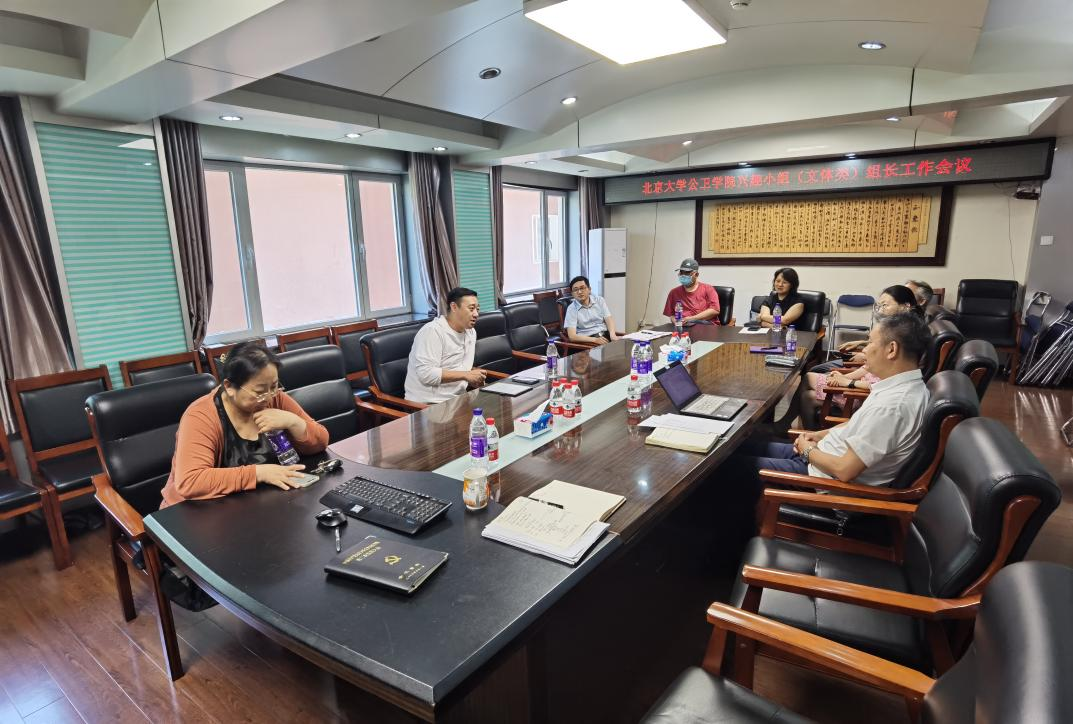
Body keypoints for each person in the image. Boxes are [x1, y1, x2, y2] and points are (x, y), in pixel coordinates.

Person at [731, 311, 930, 489]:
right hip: (822, 456)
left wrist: (807, 451)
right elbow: (856, 425)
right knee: (738, 446)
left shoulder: (893, 406)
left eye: (870, 343)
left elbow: (844, 470)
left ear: (892, 349)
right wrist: (819, 435)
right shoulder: (901, 387)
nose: (865, 350)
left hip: (821, 478)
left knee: (729, 466)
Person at [161, 342, 330, 508]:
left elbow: (321, 441)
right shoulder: (201, 416)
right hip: (195, 511)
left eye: (274, 386)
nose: (268, 397)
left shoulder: (275, 398)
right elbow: (190, 481)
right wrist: (258, 473)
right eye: (259, 392)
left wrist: (294, 422)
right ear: (229, 387)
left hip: (255, 504)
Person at [799, 285, 923, 427]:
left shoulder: (906, 338)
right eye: (879, 306)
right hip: (862, 385)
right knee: (809, 388)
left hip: (861, 393)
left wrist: (848, 382)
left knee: (808, 385)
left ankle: (797, 429)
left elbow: (887, 383)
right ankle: (796, 428)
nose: (880, 310)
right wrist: (847, 377)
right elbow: (869, 367)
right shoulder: (896, 330)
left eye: (885, 305)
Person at [405, 286, 485, 404]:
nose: (476, 314)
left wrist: (473, 378)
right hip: (429, 403)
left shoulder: (471, 332)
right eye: (471, 309)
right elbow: (426, 374)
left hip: (458, 398)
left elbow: (461, 368)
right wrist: (466, 375)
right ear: (454, 307)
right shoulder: (433, 331)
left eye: (477, 309)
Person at [663, 258, 721, 324]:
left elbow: (715, 310)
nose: (683, 275)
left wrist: (691, 319)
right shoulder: (674, 292)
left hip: (705, 325)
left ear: (696, 275)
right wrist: (675, 321)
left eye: (687, 273)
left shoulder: (708, 289)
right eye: (681, 272)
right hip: (683, 325)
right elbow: (672, 314)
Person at [564, 275, 619, 345]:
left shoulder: (599, 300)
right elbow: (572, 336)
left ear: (589, 289)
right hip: (588, 342)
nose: (579, 292)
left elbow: (608, 319)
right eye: (575, 290)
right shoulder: (571, 309)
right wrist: (594, 340)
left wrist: (612, 335)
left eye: (582, 288)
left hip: (606, 336)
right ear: (572, 294)